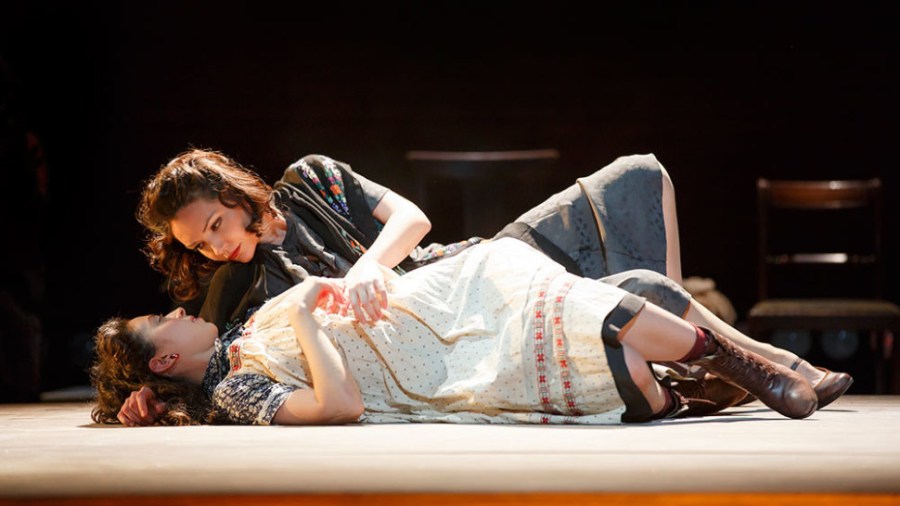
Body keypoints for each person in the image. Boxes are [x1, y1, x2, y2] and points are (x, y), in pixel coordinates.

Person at [119, 149, 851, 424]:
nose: (217, 245)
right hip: (450, 338)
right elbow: (184, 352)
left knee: (638, 177)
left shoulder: (311, 181)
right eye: (200, 244)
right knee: (633, 286)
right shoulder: (235, 288)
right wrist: (147, 394)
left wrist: (371, 265)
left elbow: (412, 219)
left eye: (217, 223)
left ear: (236, 192)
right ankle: (771, 370)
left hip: (468, 269)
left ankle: (739, 368)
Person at [91, 238, 818, 427]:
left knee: (568, 302)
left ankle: (747, 369)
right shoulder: (234, 390)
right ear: (165, 358)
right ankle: (706, 379)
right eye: (164, 322)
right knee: (619, 371)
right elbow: (339, 406)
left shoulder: (237, 329)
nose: (180, 312)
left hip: (434, 305)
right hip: (432, 363)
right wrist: (307, 312)